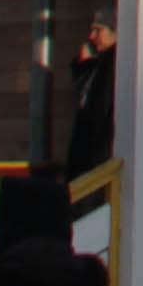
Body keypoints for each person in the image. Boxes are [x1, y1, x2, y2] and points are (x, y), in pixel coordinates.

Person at [56, 19, 114, 175]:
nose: (91, 36)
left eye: (98, 31)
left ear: (115, 32)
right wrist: (83, 64)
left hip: (103, 147)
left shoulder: (120, 60)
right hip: (89, 146)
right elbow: (83, 91)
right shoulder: (98, 62)